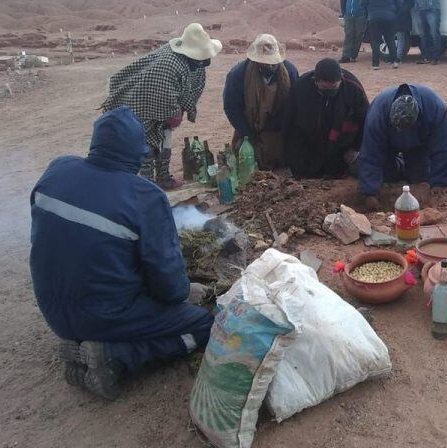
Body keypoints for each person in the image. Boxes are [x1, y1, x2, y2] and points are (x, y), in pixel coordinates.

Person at [30, 107, 213, 399]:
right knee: (204, 324)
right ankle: (115, 355)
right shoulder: (145, 197)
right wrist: (184, 292)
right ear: (135, 154)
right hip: (104, 315)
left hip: (52, 310)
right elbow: (169, 286)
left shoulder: (57, 169)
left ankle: (83, 341)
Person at [101, 23, 221, 189]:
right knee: (147, 144)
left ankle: (163, 177)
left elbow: (189, 86)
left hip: (164, 102)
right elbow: (163, 98)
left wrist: (177, 110)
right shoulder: (169, 65)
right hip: (141, 104)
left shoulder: (191, 62)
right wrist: (174, 113)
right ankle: (147, 185)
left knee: (165, 139)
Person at [359, 83, 447, 209]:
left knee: (420, 176)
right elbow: (371, 153)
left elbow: (443, 148)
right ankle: (398, 164)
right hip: (387, 144)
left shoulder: (435, 108)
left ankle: (410, 165)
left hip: (419, 144)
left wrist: (439, 183)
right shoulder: (377, 114)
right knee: (387, 177)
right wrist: (370, 193)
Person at [223, 33, 299, 170]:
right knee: (247, 163)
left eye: (273, 63)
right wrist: (247, 135)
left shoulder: (290, 72)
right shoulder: (237, 75)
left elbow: (295, 106)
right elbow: (231, 108)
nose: (269, 66)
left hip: (278, 130)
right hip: (249, 128)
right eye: (265, 63)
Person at [284, 58, 369, 179]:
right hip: (310, 142)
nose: (330, 91)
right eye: (324, 88)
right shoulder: (300, 87)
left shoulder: (353, 88)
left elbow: (365, 119)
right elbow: (289, 121)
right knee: (303, 172)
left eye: (334, 87)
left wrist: (356, 148)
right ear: (315, 81)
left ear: (341, 79)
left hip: (339, 143)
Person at [360, 0, 403, 70]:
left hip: (374, 17)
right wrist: (395, 13)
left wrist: (368, 13)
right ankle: (394, 62)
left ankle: (376, 64)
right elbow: (399, 1)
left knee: (375, 41)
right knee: (390, 39)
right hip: (390, 17)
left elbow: (362, 2)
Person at [415, 0, 443, 64]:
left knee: (434, 34)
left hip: (433, 9)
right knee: (423, 35)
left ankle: (435, 57)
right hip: (421, 9)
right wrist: (416, 4)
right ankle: (425, 57)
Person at [339, 0, 367, 64]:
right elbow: (343, 0)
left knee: (358, 35)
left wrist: (365, 13)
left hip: (361, 15)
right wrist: (344, 12)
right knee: (349, 35)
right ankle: (345, 56)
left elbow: (367, 1)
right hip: (349, 15)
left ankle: (353, 56)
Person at [394, 0, 415, 66]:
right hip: (392, 15)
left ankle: (398, 57)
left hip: (403, 17)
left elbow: (410, 2)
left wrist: (401, 10)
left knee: (401, 37)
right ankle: (395, 56)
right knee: (393, 37)